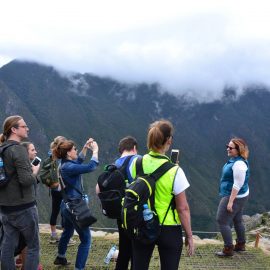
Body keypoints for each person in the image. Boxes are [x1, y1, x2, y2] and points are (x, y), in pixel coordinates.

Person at [130, 119, 194, 270]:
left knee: (138, 266)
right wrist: (189, 236)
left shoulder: (136, 164)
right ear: (169, 141)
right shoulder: (175, 171)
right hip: (169, 228)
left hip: (142, 223)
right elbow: (182, 208)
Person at [0, 115, 40, 270]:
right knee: (33, 246)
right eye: (24, 126)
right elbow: (26, 180)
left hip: (5, 207)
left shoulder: (2, 149)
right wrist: (34, 171)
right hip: (23, 207)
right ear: (14, 129)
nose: (27, 128)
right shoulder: (19, 150)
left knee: (7, 246)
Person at [53, 138, 99, 270]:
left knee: (67, 231)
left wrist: (85, 147)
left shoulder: (64, 164)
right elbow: (91, 166)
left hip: (66, 205)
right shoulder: (69, 167)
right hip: (75, 207)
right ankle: (79, 268)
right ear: (68, 153)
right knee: (86, 240)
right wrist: (95, 151)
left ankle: (61, 257)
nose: (76, 151)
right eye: (74, 149)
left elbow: (78, 160)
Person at [96, 136, 140, 270]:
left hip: (120, 214)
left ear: (121, 150)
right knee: (137, 252)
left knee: (124, 250)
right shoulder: (138, 160)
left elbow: (98, 189)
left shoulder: (114, 165)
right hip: (135, 214)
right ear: (134, 148)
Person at [216, 138, 250, 257]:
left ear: (238, 150)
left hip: (234, 196)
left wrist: (230, 202)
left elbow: (237, 184)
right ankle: (241, 244)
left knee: (222, 220)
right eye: (227, 146)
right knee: (237, 219)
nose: (228, 149)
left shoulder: (239, 164)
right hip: (241, 195)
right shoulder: (236, 160)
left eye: (231, 148)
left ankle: (228, 249)